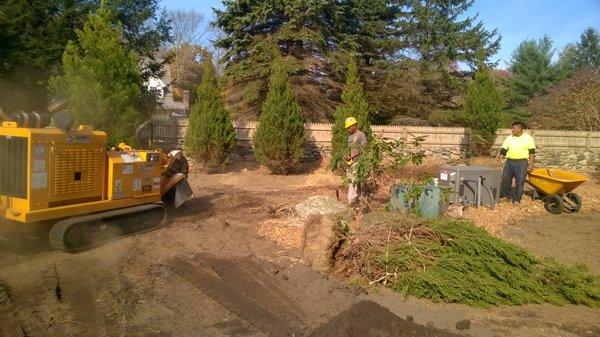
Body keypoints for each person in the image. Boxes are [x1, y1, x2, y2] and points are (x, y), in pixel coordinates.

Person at [498, 121, 536, 204]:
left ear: (519, 129)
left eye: (514, 128)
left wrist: (531, 165)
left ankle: (517, 199)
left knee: (520, 181)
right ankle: (506, 195)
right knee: (505, 179)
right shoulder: (509, 138)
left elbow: (532, 152)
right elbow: (503, 150)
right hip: (509, 162)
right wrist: (500, 161)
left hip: (522, 163)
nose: (512, 130)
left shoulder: (528, 138)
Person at [343, 117, 367, 205]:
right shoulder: (350, 137)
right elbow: (350, 149)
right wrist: (347, 156)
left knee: (354, 180)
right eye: (347, 128)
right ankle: (355, 198)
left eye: (349, 127)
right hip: (351, 162)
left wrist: (352, 157)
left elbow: (363, 149)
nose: (348, 129)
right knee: (350, 180)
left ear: (354, 125)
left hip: (358, 162)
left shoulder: (361, 135)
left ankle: (351, 200)